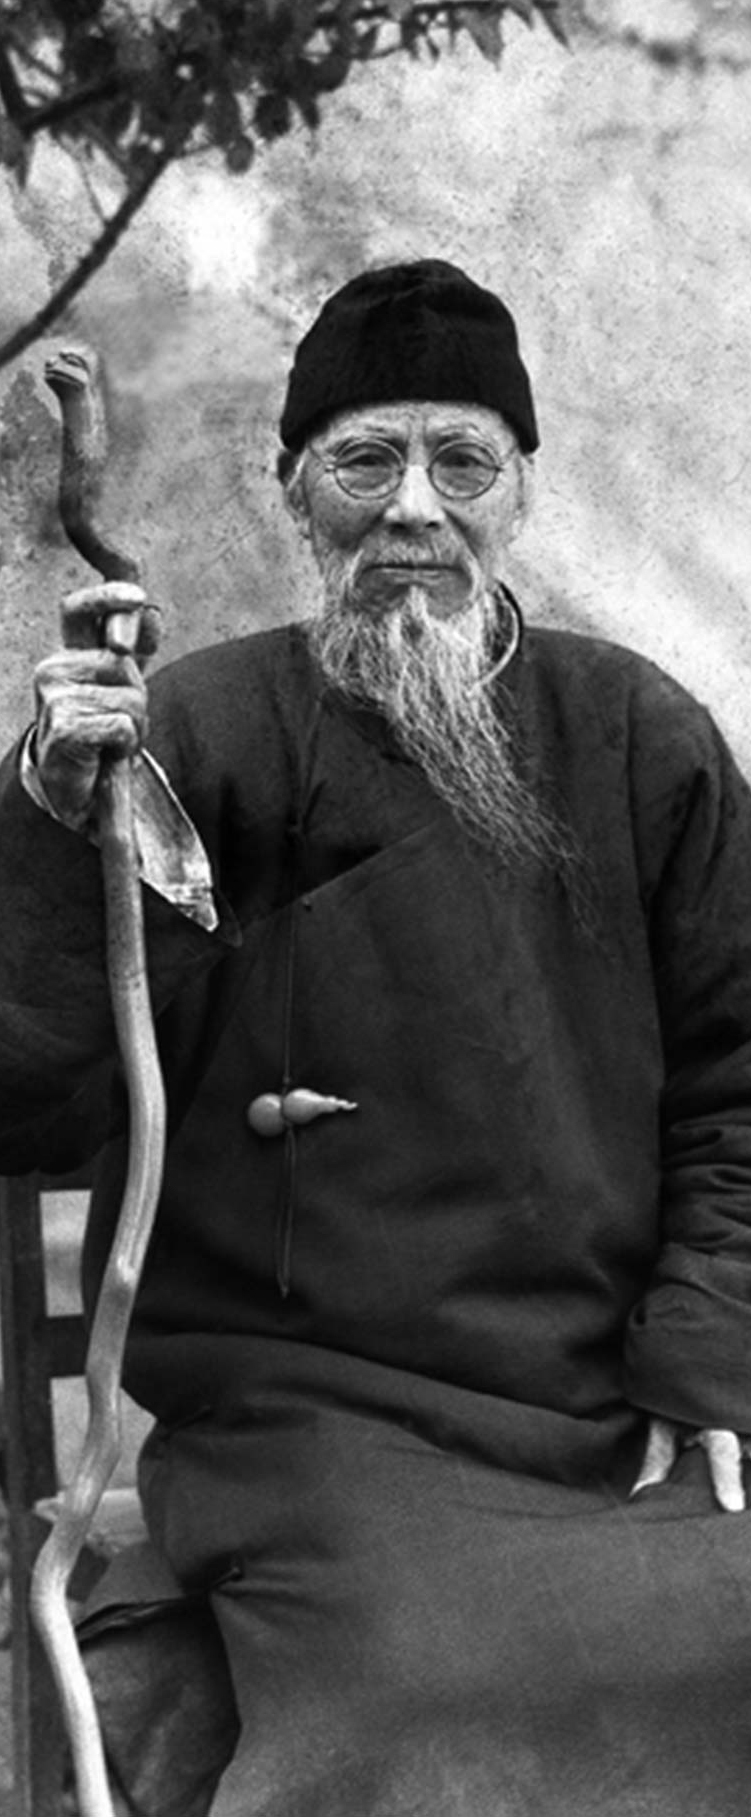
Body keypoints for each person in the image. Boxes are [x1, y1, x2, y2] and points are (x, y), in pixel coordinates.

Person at [1, 259, 751, 1817]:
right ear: (299, 495)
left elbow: (743, 1082)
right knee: (438, 1696)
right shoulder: (191, 733)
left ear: (521, 490)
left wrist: (706, 1365)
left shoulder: (641, 737)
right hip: (302, 1413)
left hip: (603, 1400)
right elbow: (27, 1099)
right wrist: (55, 817)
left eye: (460, 460)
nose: (414, 506)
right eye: (365, 461)